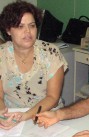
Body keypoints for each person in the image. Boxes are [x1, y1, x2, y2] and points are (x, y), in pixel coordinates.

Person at [0, 1, 67, 129]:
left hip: (47, 116)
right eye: (20, 26)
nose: (28, 32)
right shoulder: (1, 55)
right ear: (8, 30)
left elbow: (52, 97)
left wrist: (25, 116)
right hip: (11, 116)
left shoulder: (50, 53)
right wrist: (2, 112)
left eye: (32, 25)